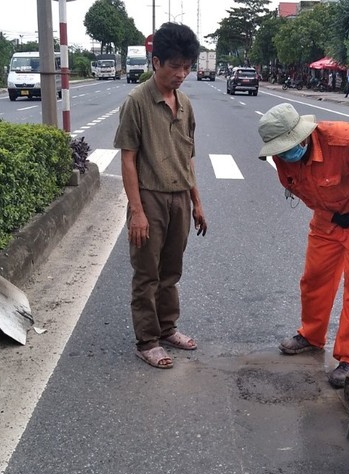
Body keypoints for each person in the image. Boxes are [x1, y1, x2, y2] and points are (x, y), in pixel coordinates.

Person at [256, 103, 349, 387]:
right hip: (326, 219)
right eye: (280, 150)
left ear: (302, 135)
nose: (286, 155)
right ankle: (311, 336)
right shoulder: (283, 158)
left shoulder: (343, 139)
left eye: (289, 147)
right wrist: (334, 215)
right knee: (313, 280)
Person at [113, 22, 207, 369]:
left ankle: (168, 328)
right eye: (174, 66)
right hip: (150, 199)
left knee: (171, 271)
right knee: (146, 274)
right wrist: (136, 211)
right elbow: (128, 158)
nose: (181, 74)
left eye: (187, 67)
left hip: (180, 198)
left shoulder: (185, 104)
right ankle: (147, 340)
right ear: (156, 62)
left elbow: (188, 156)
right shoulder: (136, 102)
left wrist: (197, 202)